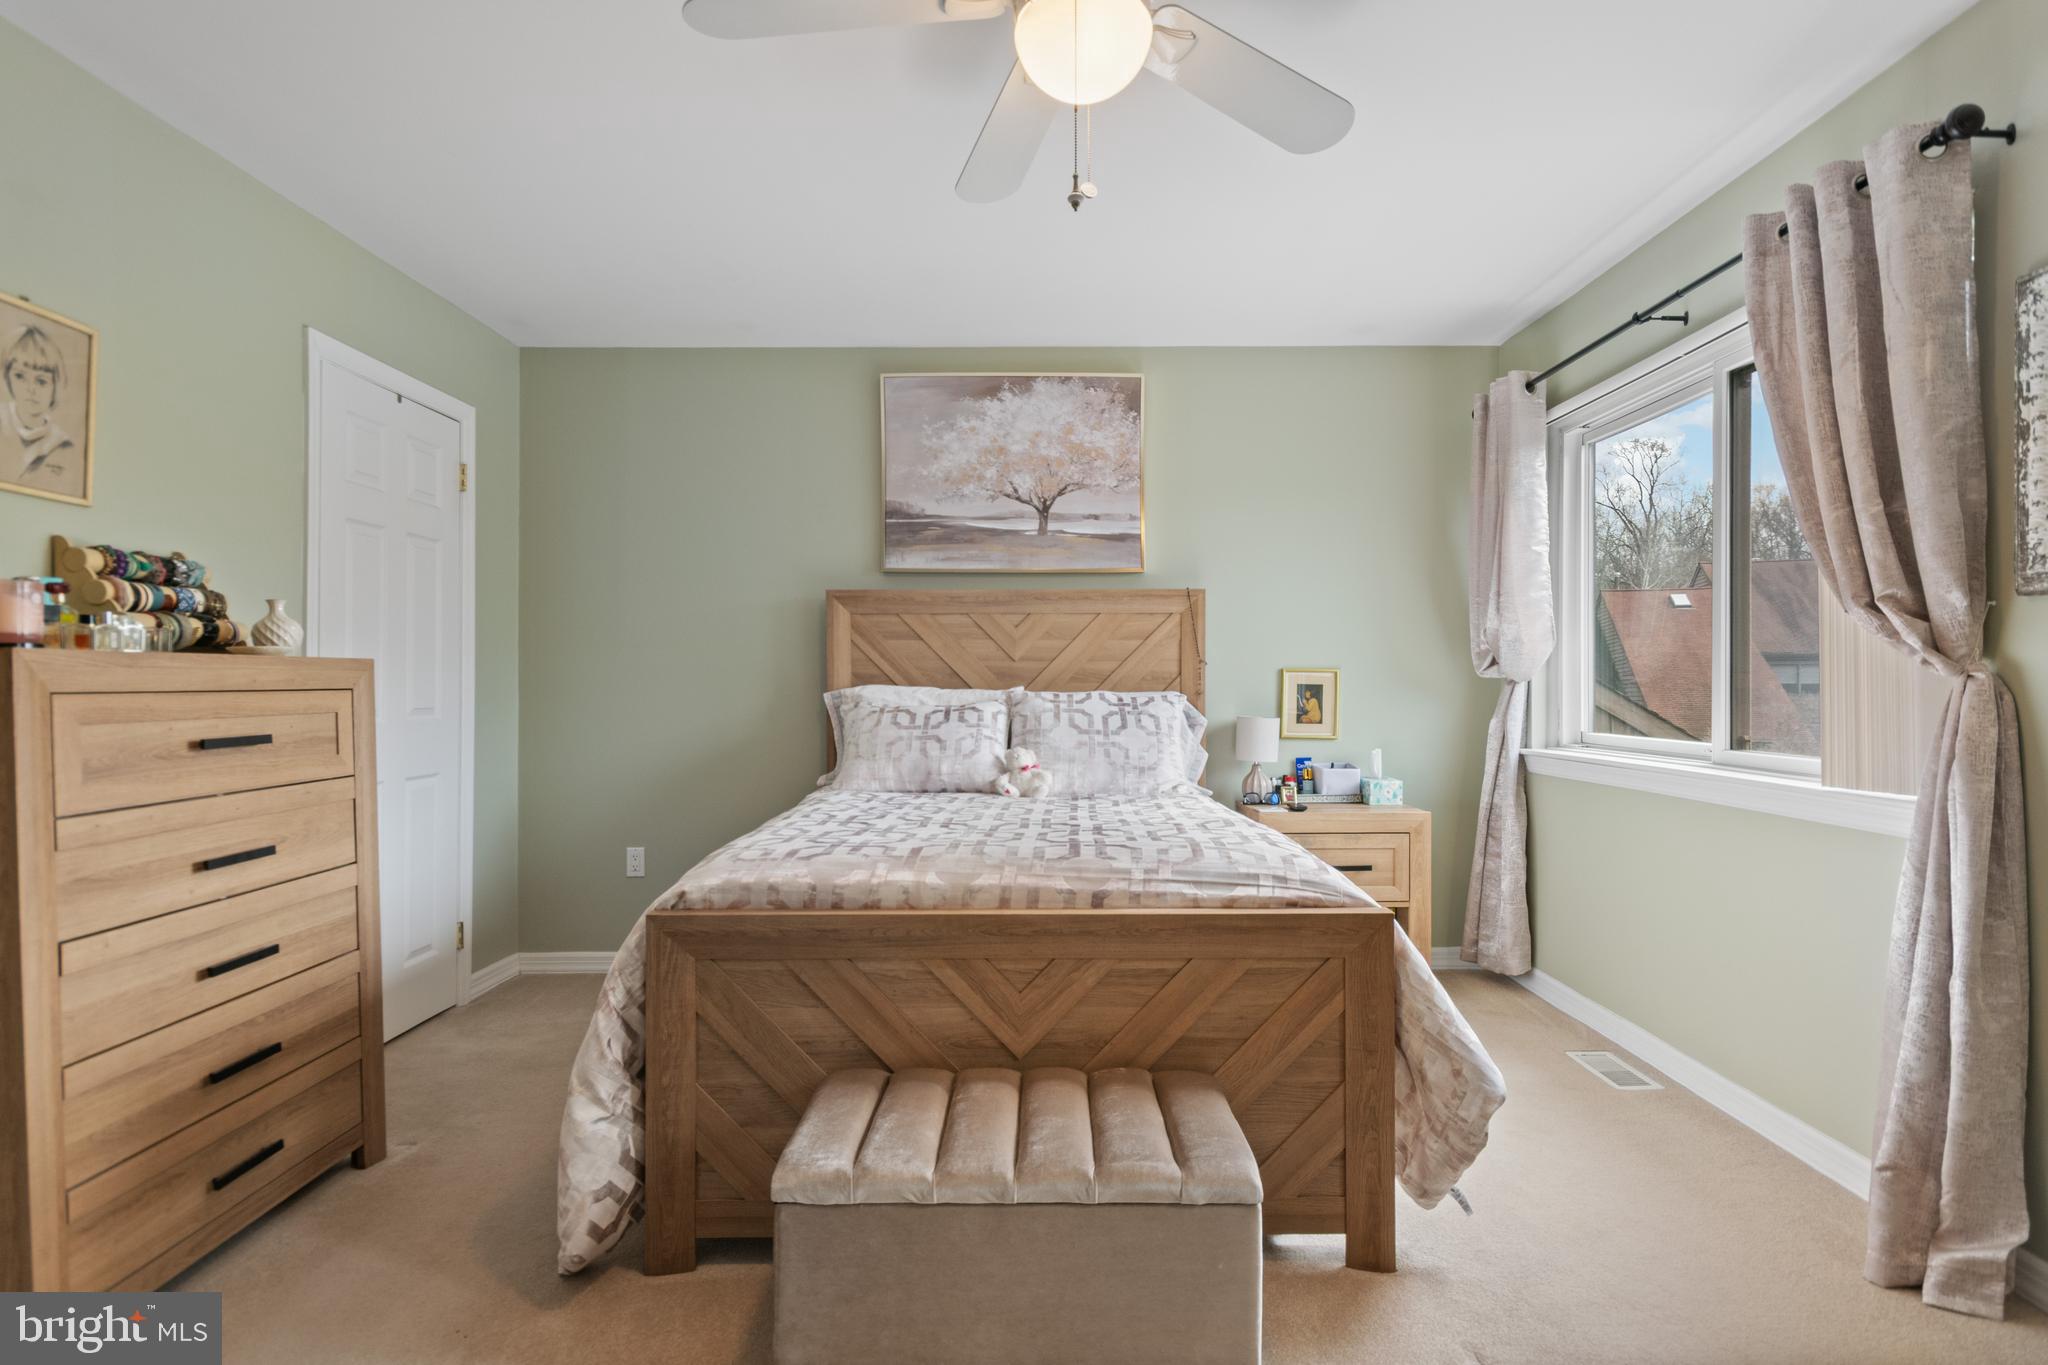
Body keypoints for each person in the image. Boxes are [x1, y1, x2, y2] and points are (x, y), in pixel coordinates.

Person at [4, 324, 77, 490]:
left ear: (54, 387)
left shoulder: (62, 445)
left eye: (41, 381)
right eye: (20, 376)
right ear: (8, 378)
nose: (30, 389)